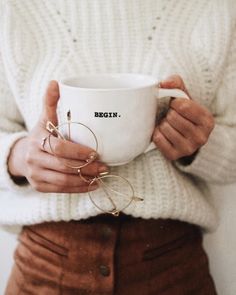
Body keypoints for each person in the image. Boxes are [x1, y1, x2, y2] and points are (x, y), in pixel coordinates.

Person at [0, 0, 235, 294]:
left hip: (172, 266)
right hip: (46, 264)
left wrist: (198, 145)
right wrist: (20, 157)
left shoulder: (213, 10)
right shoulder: (15, 9)